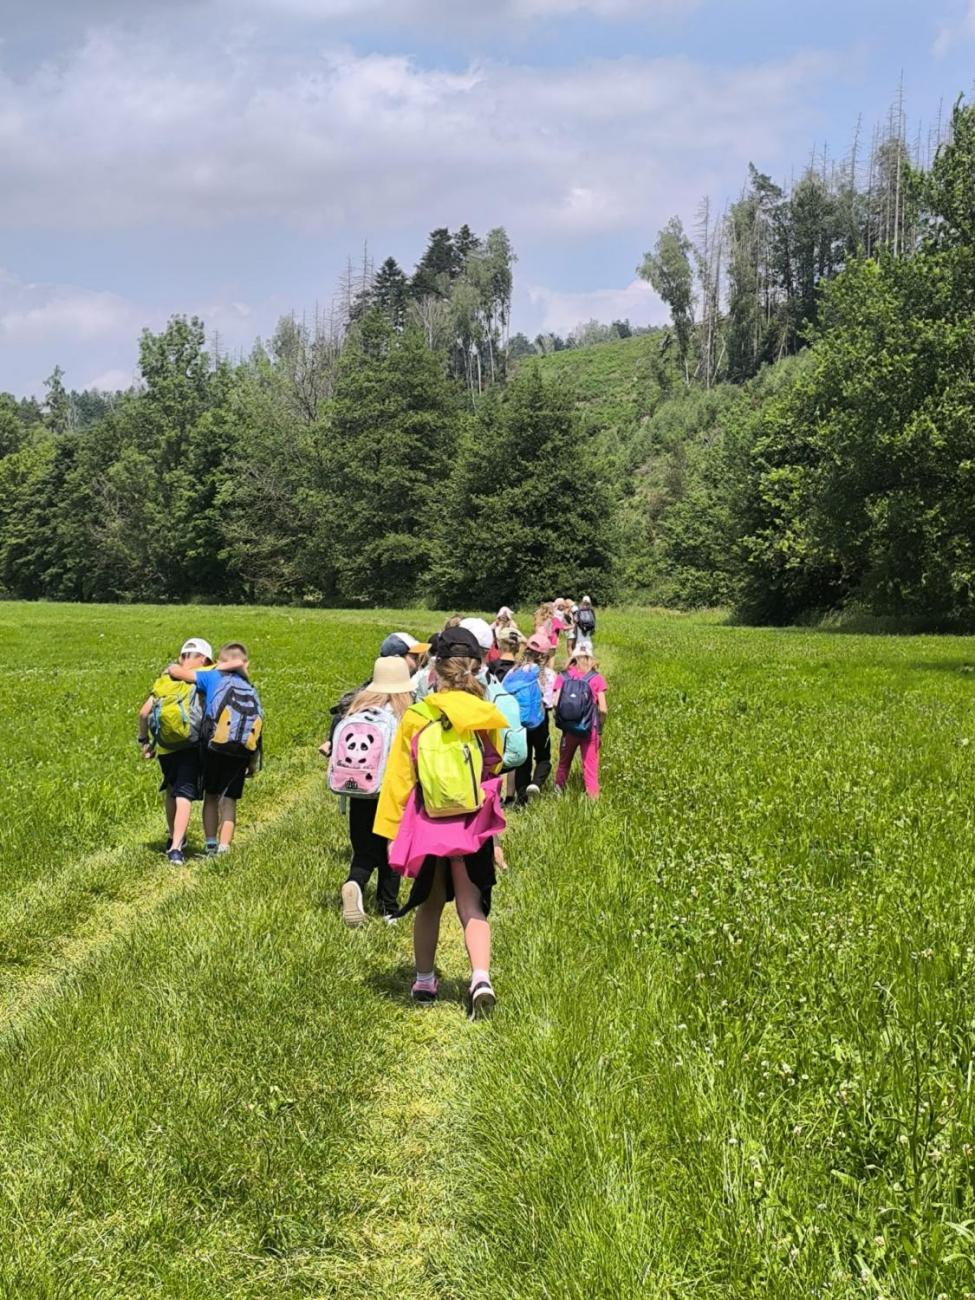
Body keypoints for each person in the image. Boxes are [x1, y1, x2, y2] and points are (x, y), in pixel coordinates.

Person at [375, 626, 509, 1018]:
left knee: (429, 904)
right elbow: (492, 770)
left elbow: (399, 778)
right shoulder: (487, 716)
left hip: (427, 822)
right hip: (471, 824)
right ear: (477, 667)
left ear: (435, 668)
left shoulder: (418, 716)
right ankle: (480, 978)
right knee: (472, 904)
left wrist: (389, 834)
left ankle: (424, 980)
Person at [323, 656, 413, 926]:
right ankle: (388, 908)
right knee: (390, 851)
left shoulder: (354, 709)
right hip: (391, 791)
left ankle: (355, 882)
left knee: (363, 848)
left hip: (358, 789)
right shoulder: (404, 714)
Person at [166, 642, 262, 857]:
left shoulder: (213, 676)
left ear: (221, 660)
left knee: (211, 796)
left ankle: (210, 844)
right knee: (229, 800)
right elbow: (257, 726)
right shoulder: (249, 686)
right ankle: (224, 847)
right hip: (241, 751)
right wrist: (253, 761)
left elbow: (178, 672)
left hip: (213, 746)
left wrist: (173, 668)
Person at [137, 637, 214, 864]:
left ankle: (173, 837)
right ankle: (176, 848)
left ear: (182, 657)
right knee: (184, 794)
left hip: (166, 747)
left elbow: (143, 713)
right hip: (191, 745)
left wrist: (144, 741)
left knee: (171, 790)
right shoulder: (202, 678)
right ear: (204, 658)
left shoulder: (165, 680)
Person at [552, 647, 608, 800]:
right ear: (590, 658)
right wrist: (600, 729)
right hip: (590, 730)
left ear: (573, 658)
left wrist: (563, 721)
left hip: (569, 730)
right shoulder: (596, 678)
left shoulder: (563, 676)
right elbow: (603, 709)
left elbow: (555, 703)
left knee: (564, 764)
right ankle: (593, 801)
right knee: (590, 769)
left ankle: (558, 794)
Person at [506, 633, 553, 804]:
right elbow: (549, 702)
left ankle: (521, 800)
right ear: (545, 656)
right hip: (539, 721)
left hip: (518, 721)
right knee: (543, 757)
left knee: (523, 761)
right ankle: (536, 783)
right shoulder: (547, 674)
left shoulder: (514, 671)